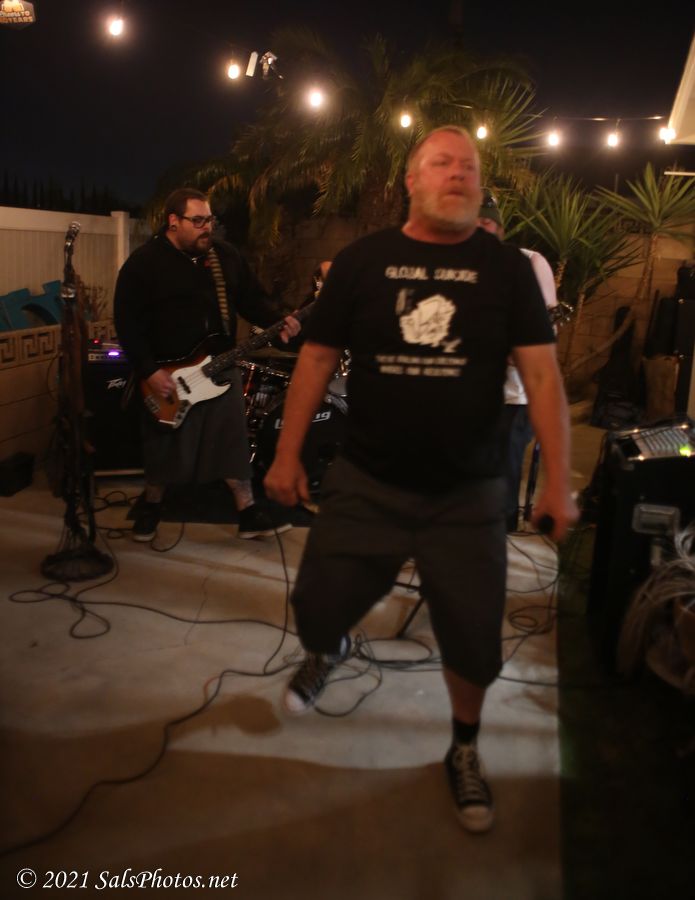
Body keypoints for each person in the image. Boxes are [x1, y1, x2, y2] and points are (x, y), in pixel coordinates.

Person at [264, 126, 578, 834]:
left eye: (468, 165)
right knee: (317, 605)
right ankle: (330, 646)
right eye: (441, 162)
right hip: (368, 479)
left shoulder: (507, 270)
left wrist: (558, 481)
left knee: (472, 638)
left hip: (469, 491)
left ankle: (463, 747)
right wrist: (286, 455)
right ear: (411, 180)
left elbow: (540, 376)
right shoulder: (363, 261)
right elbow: (315, 359)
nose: (457, 172)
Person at [114, 187, 300, 542]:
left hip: (220, 366)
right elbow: (127, 322)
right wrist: (148, 370)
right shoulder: (144, 263)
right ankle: (151, 506)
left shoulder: (225, 257)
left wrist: (279, 321)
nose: (207, 228)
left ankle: (248, 512)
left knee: (232, 442)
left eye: (209, 220)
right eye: (198, 221)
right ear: (173, 221)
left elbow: (253, 300)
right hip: (167, 373)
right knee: (163, 447)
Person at [478, 189, 559, 532]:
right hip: (473, 387)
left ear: (499, 227)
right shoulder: (459, 265)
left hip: (515, 393)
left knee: (504, 462)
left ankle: (501, 527)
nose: (479, 229)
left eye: (486, 223)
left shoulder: (529, 262)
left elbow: (548, 328)